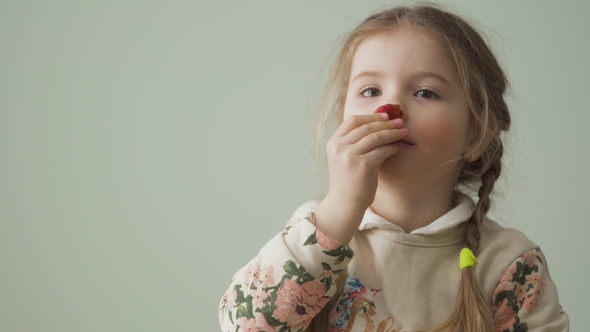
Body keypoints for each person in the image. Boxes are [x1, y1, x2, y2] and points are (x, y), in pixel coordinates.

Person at [218, 3, 569, 332]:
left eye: (426, 92)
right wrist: (341, 206)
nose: (391, 106)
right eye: (370, 90)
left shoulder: (509, 262)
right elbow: (243, 324)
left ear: (476, 133)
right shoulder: (318, 230)